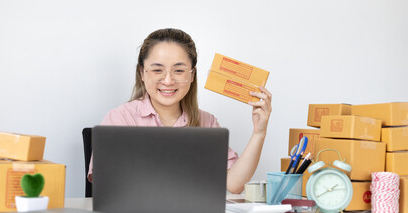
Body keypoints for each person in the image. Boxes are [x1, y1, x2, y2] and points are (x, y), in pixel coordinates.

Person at [88, 28, 272, 194]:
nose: (168, 81)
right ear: (142, 73)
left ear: (192, 75)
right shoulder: (120, 118)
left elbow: (234, 184)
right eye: (157, 70)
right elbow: (105, 183)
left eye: (178, 70)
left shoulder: (207, 122)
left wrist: (259, 132)